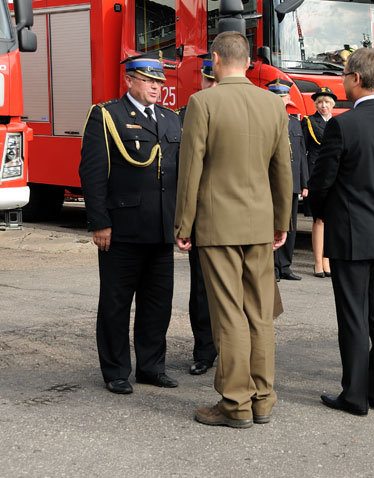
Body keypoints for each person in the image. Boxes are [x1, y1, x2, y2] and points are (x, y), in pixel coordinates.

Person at [174, 32, 292, 428]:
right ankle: (262, 398)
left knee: (229, 316)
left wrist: (183, 224)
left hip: (217, 224)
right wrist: (281, 222)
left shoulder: (202, 102)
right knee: (260, 314)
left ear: (216, 61)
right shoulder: (272, 105)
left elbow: (191, 169)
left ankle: (236, 404)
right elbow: (283, 171)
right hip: (260, 224)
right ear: (247, 61)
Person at [309, 48, 374, 416]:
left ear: (355, 78)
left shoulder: (342, 124)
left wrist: (319, 215)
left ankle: (353, 396)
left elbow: (322, 182)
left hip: (351, 234)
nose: (341, 82)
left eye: (344, 76)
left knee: (353, 316)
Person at [79, 52, 181, 394]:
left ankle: (151, 367)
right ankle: (116, 370)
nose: (156, 87)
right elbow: (93, 174)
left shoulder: (170, 119)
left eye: (159, 82)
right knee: (116, 303)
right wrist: (99, 222)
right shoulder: (107, 115)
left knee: (157, 304)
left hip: (162, 228)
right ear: (130, 80)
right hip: (121, 229)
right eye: (149, 81)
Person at [176, 53, 218, 376]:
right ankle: (204, 351)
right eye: (207, 80)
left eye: (214, 80)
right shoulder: (184, 115)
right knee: (201, 292)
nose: (210, 85)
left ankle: (231, 351)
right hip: (203, 219)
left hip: (229, 219)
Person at [266, 78, 309, 281]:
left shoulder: (294, 122)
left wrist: (304, 182)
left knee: (290, 225)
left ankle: (285, 265)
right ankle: (272, 267)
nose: (279, 99)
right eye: (275, 96)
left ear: (288, 99)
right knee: (273, 225)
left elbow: (300, 154)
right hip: (271, 183)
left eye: (282, 96)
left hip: (291, 182)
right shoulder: (264, 120)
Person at [303, 87, 337, 277]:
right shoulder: (309, 121)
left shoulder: (338, 121)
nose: (323, 106)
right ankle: (317, 262)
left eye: (327, 102)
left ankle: (327, 261)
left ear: (333, 104)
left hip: (334, 176)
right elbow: (303, 152)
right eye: (320, 102)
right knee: (319, 219)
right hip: (316, 175)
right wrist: (305, 181)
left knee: (331, 220)